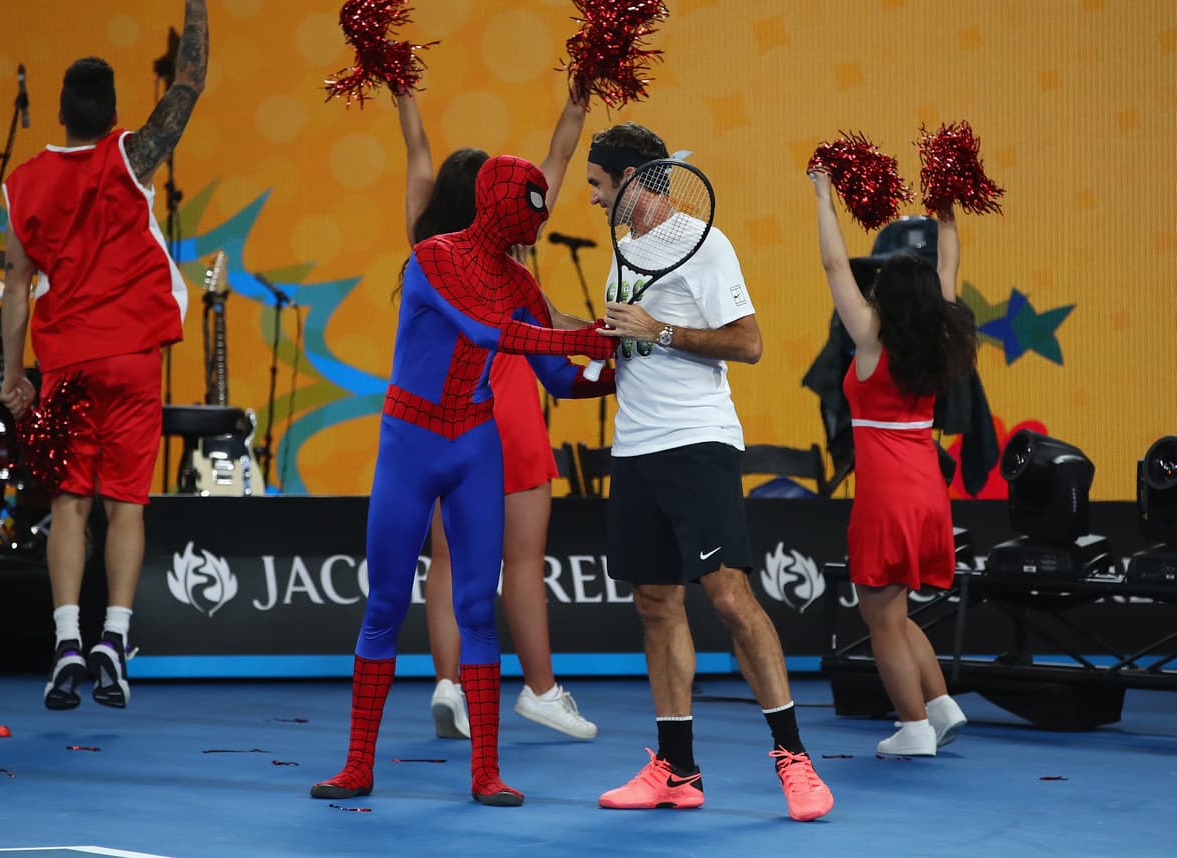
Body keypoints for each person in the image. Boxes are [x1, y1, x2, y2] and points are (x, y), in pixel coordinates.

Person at [309, 155, 616, 807]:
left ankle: (486, 772)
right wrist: (585, 339)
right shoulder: (433, 258)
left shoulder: (520, 281)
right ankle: (357, 763)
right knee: (386, 604)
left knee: (478, 608)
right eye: (532, 205)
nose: (539, 219)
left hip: (474, 440)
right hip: (410, 441)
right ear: (500, 204)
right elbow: (485, 329)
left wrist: (625, 371)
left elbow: (560, 381)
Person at [585, 122, 834, 822]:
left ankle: (794, 758)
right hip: (635, 450)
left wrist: (657, 330)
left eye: (600, 185)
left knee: (728, 598)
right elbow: (633, 351)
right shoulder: (625, 251)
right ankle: (676, 771)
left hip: (698, 445)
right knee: (655, 605)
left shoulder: (705, 243)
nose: (593, 200)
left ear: (634, 180)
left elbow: (748, 343)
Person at [0, 0, 208, 710]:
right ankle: (113, 642)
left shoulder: (21, 183)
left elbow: (18, 288)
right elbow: (189, 84)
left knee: (68, 506)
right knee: (125, 507)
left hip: (67, 365)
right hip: (134, 359)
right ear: (114, 115)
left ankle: (65, 644)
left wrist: (14, 373)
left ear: (59, 114)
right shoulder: (132, 155)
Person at [395, 89, 599, 741]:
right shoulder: (510, 260)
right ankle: (540, 692)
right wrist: (578, 95)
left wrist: (402, 92)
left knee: (448, 561)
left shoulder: (426, 247)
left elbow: (417, 152)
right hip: (507, 411)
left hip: (442, 417)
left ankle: (448, 686)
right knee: (523, 563)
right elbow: (558, 157)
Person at [807, 168, 975, 756]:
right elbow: (949, 270)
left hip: (886, 496)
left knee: (879, 615)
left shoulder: (872, 338)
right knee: (897, 610)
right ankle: (939, 704)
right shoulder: (943, 333)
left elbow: (834, 267)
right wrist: (947, 216)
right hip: (929, 489)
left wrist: (824, 197)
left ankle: (913, 729)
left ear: (888, 298)